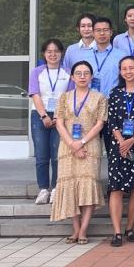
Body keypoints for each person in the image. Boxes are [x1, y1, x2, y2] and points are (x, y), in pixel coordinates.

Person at [50, 61, 108, 245]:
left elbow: (100, 124)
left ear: (91, 76)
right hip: (67, 147)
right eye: (78, 73)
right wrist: (72, 144)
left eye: (86, 73)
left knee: (88, 185)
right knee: (70, 187)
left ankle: (83, 229)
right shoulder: (64, 97)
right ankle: (75, 228)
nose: (82, 76)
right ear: (72, 77)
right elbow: (59, 122)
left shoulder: (100, 97)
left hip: (90, 146)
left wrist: (81, 143)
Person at [106, 56, 134, 247]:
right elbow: (111, 121)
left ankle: (130, 228)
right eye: (124, 68)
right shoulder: (115, 93)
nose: (128, 71)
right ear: (120, 72)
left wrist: (132, 139)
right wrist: (121, 142)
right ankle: (117, 232)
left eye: (131, 68)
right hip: (118, 145)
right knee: (116, 187)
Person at [29, 39, 71, 205]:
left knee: (57, 155)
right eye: (49, 51)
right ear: (44, 54)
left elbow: (69, 96)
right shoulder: (36, 72)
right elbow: (35, 94)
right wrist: (44, 116)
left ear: (62, 53)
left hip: (61, 116)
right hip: (39, 114)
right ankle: (43, 189)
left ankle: (55, 188)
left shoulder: (68, 72)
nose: (53, 54)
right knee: (41, 155)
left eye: (56, 51)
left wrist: (57, 117)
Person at [90, 17, 127, 97]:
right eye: (98, 30)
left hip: (114, 100)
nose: (102, 33)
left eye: (105, 30)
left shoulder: (122, 56)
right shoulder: (85, 56)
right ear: (93, 33)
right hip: (89, 101)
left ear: (111, 32)